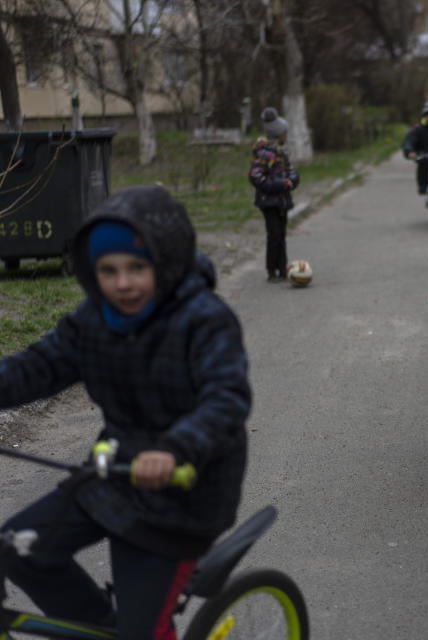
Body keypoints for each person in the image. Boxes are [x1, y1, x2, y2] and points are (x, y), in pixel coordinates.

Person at [0, 185, 251, 639]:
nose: (122, 284)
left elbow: (226, 398)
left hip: (182, 496)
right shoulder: (94, 318)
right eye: (108, 270)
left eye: (138, 267)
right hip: (113, 474)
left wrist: (175, 450)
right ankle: (100, 626)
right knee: (17, 550)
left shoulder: (204, 320)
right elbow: (38, 366)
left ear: (167, 262)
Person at [250, 106, 299, 282]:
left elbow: (291, 170)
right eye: (285, 132)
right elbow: (255, 177)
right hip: (268, 201)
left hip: (282, 200)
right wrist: (279, 184)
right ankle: (271, 270)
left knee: (282, 235)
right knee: (274, 235)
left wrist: (293, 180)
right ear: (279, 135)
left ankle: (282, 268)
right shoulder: (264, 155)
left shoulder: (282, 153)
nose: (287, 135)